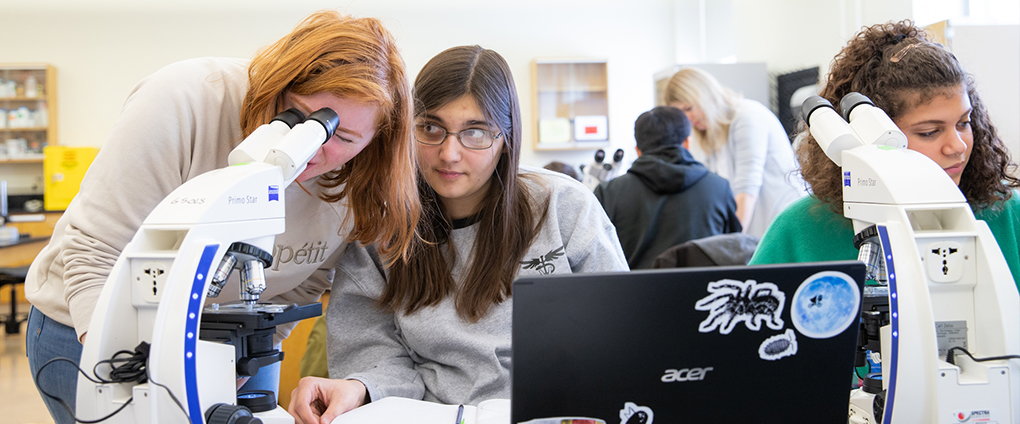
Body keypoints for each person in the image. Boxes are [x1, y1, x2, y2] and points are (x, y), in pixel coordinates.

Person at [24, 11, 420, 424]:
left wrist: (228, 371)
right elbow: (96, 250)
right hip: (92, 321)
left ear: (377, 138)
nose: (308, 149)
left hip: (236, 337)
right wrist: (147, 383)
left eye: (341, 137)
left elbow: (307, 280)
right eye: (299, 115)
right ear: (276, 87)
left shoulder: (368, 173)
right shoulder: (183, 100)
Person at [288, 45, 629, 423]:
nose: (449, 154)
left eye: (475, 132)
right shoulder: (382, 224)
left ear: (506, 139)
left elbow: (619, 337)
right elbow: (372, 352)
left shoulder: (563, 207)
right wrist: (360, 386)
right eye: (431, 128)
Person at [748, 20, 1020, 291]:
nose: (957, 146)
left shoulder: (1006, 213)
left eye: (963, 123)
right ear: (868, 135)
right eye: (929, 132)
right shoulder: (802, 230)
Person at [594, 106, 741, 269]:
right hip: (704, 292)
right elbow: (732, 253)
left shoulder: (607, 193)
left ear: (637, 150)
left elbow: (597, 259)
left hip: (634, 293)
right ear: (686, 142)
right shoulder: (719, 188)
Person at [665, 67, 805, 237]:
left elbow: (747, 189)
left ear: (706, 95)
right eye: (682, 113)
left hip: (785, 221)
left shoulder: (747, 117)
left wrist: (730, 245)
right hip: (757, 228)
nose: (688, 118)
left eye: (688, 108)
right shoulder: (708, 134)